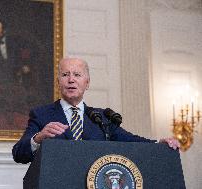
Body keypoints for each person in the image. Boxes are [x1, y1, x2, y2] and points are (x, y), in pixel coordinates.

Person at [12, 57, 180, 164]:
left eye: (77, 75)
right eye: (65, 75)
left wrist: (159, 144)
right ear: (58, 82)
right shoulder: (41, 114)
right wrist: (39, 137)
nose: (71, 80)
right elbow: (19, 154)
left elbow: (131, 140)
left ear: (87, 83)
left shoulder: (102, 118)